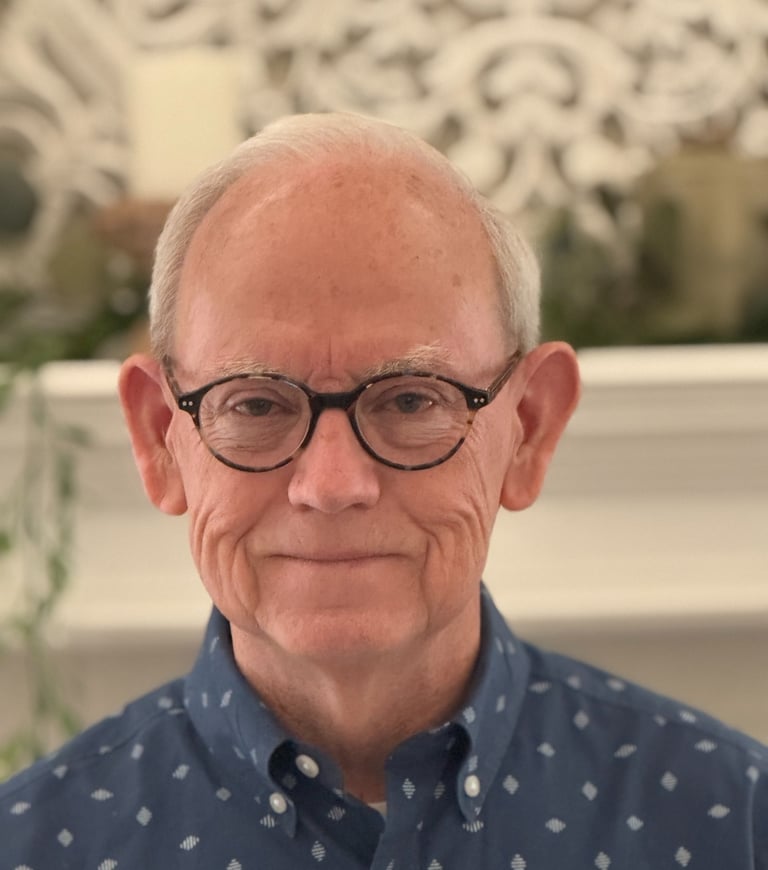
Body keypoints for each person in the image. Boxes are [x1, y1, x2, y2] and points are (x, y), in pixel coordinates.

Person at [1, 112, 765, 869]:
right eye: (256, 405)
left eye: (410, 399)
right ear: (158, 437)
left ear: (528, 428)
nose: (332, 485)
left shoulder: (736, 824)